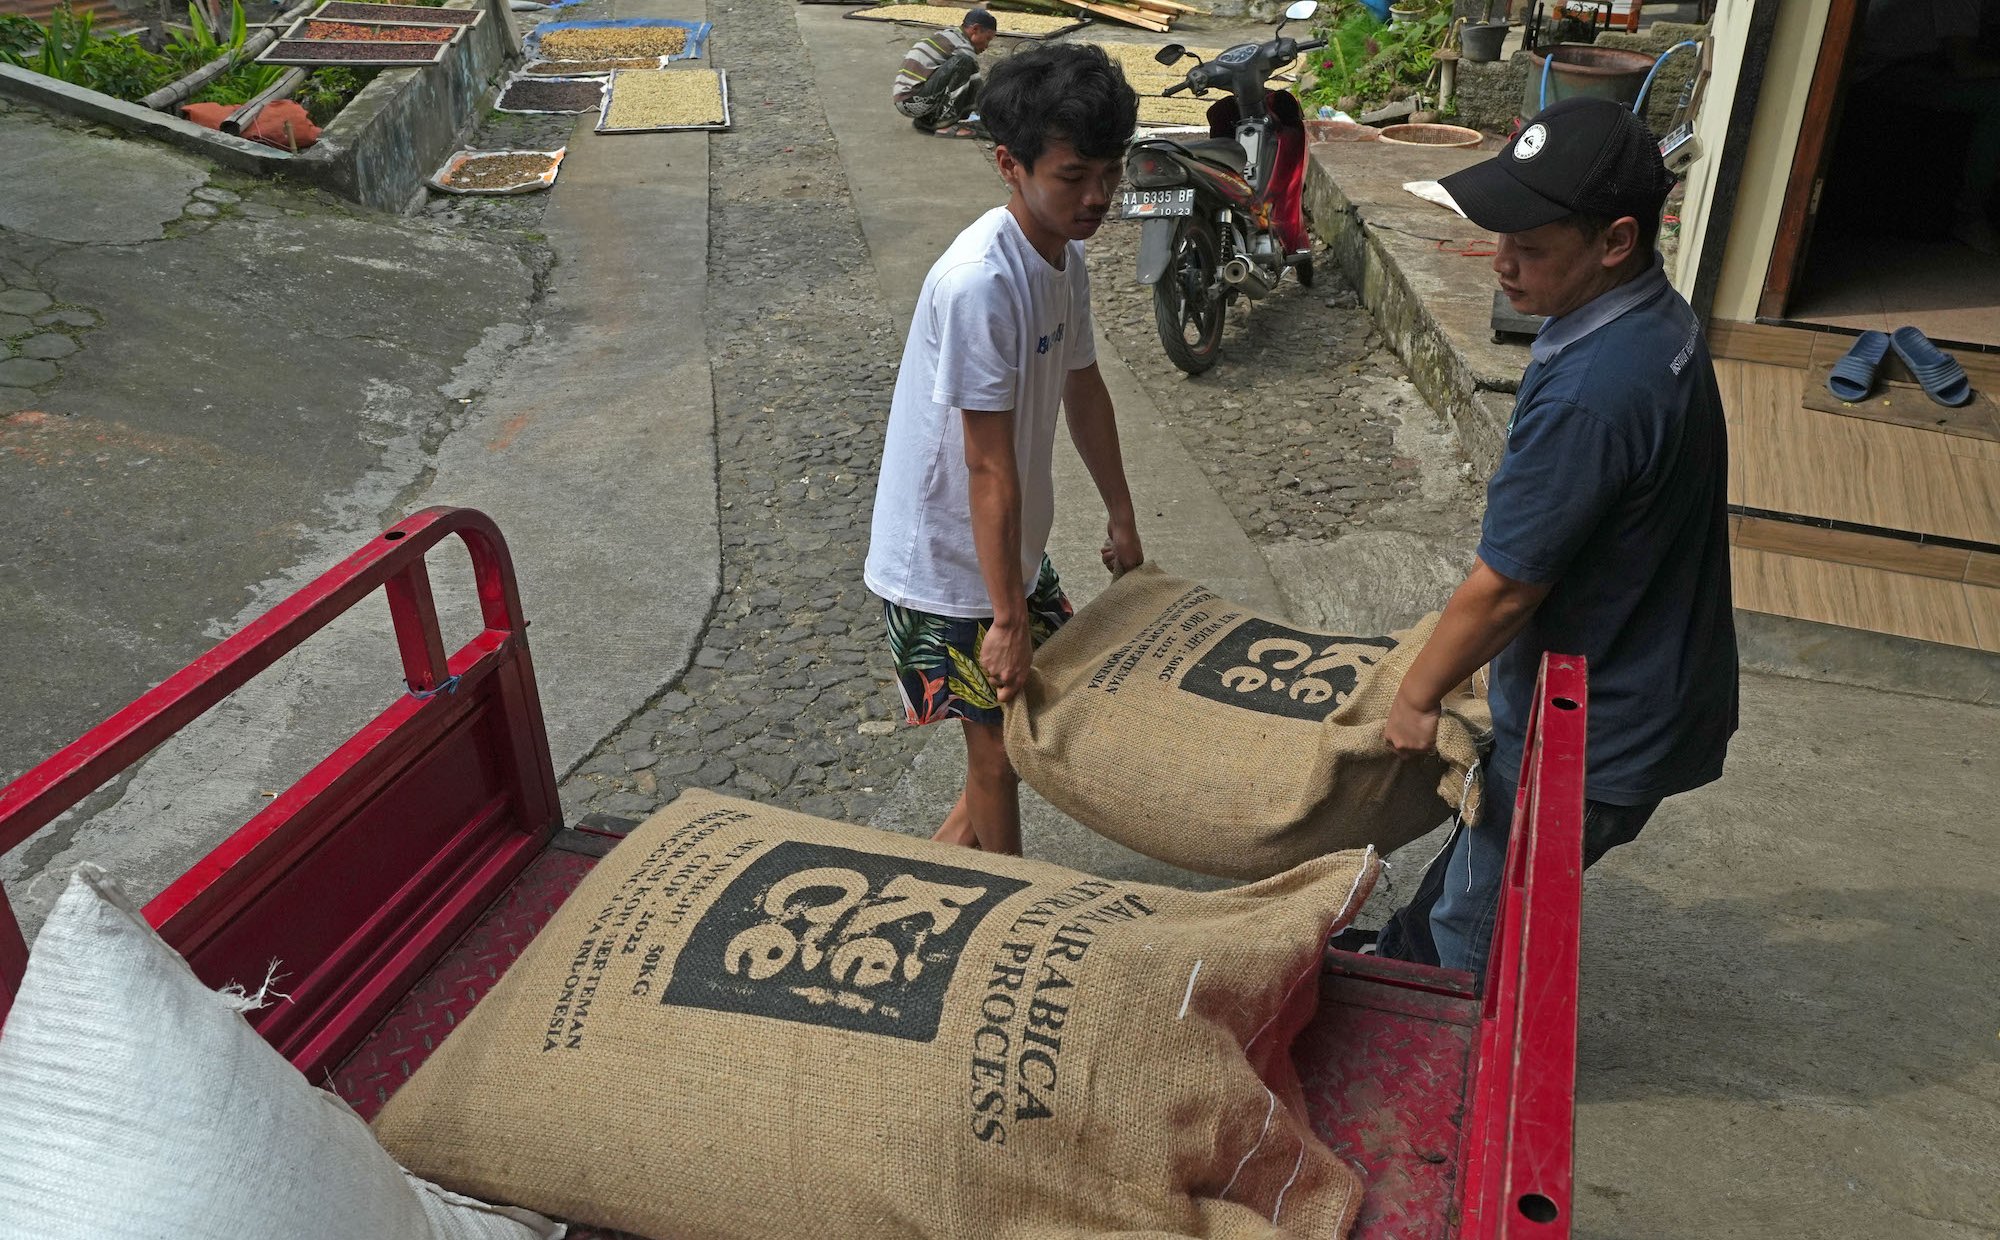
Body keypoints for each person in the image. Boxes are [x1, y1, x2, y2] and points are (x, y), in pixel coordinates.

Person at [1372, 97, 1738, 976]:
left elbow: (1505, 587)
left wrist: (1418, 694)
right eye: (1500, 236)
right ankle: (1409, 957)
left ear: (1615, 240)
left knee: (1475, 926)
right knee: (1472, 877)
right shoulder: (1659, 319)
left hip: (1594, 730)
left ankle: (1447, 1067)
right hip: (1650, 678)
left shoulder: (1594, 392)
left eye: (1531, 248)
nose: (1500, 264)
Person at [865, 44, 1143, 856]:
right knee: (999, 755)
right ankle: (998, 920)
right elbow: (986, 466)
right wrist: (1007, 619)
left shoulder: (1064, 256)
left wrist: (1121, 514)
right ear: (1008, 166)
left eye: (1109, 172)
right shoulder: (980, 284)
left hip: (1006, 553)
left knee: (1020, 736)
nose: (1097, 197)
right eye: (1072, 175)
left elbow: (1084, 389)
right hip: (948, 568)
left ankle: (923, 877)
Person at [1847, 0, 2000, 252]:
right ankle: (1969, 215)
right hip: (1874, 71)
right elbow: (1966, 66)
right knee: (1995, 99)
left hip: (1899, 63)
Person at [892, 8, 998, 138]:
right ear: (975, 29)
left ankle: (928, 119)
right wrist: (995, 116)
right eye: (987, 39)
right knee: (963, 63)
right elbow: (977, 87)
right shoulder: (963, 47)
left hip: (907, 100)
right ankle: (943, 124)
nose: (987, 45)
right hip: (910, 102)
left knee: (966, 77)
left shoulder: (950, 35)